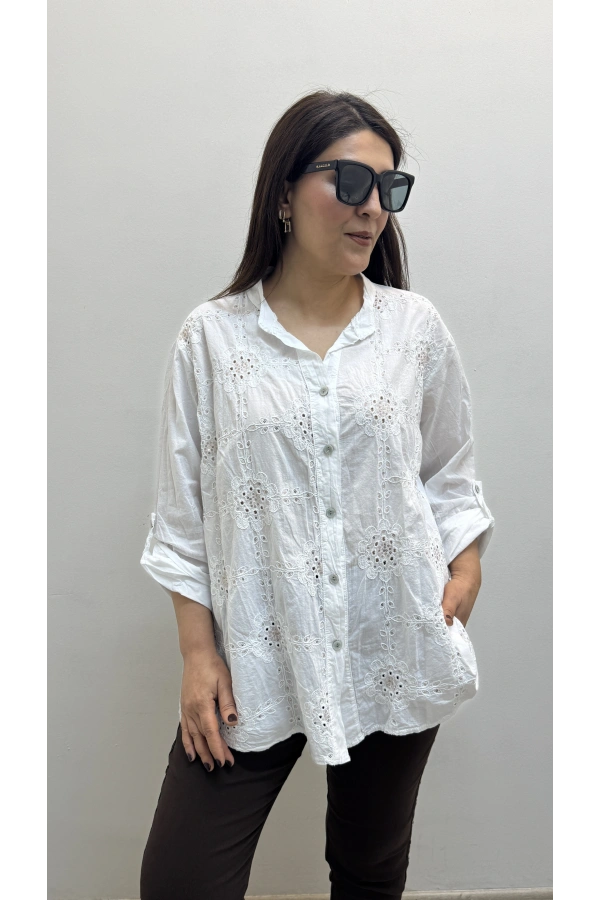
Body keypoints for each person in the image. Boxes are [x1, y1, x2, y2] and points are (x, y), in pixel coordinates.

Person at [138, 90, 495, 900]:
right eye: (350, 181)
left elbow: (450, 472)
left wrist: (465, 569)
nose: (373, 209)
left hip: (391, 640)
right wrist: (198, 654)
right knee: (183, 882)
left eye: (389, 188)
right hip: (257, 653)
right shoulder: (212, 338)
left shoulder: (414, 329)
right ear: (283, 195)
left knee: (369, 873)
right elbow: (183, 517)